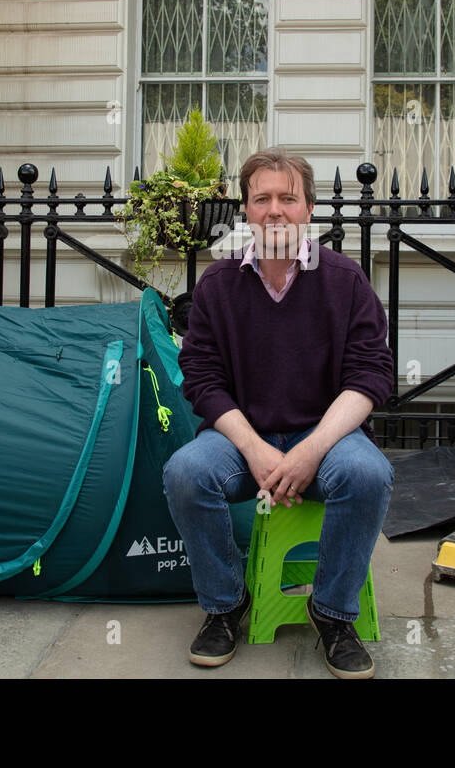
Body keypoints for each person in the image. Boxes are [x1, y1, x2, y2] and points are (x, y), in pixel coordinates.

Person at [162, 147, 396, 679]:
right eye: (261, 198)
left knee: (368, 473)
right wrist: (256, 449)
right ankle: (224, 605)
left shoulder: (345, 281)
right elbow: (201, 378)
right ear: (245, 211)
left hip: (327, 437)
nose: (274, 210)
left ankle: (332, 612)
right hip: (245, 439)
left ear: (308, 209)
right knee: (186, 472)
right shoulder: (218, 287)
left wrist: (311, 450)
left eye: (287, 198)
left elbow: (370, 376)